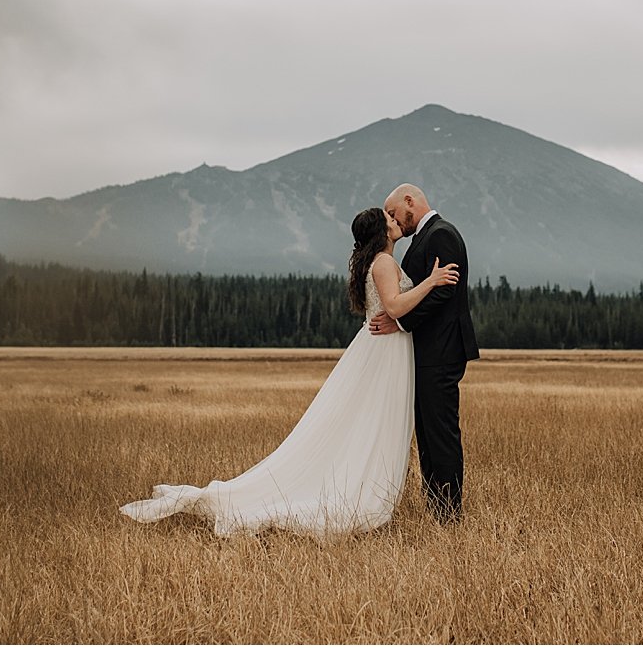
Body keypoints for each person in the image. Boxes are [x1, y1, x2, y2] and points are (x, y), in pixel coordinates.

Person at [119, 207, 458, 537]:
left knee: (368, 422)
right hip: (386, 351)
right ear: (380, 232)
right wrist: (431, 281)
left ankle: (367, 482)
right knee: (373, 424)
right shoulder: (383, 262)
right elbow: (396, 306)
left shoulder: (376, 262)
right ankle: (358, 490)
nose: (395, 220)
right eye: (388, 218)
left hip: (383, 348)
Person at [368, 183, 479, 522]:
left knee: (440, 431)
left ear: (409, 201)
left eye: (392, 213)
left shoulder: (441, 234)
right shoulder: (425, 236)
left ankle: (448, 512)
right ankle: (437, 505)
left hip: (441, 351)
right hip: (430, 351)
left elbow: (443, 291)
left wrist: (400, 322)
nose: (392, 221)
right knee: (429, 432)